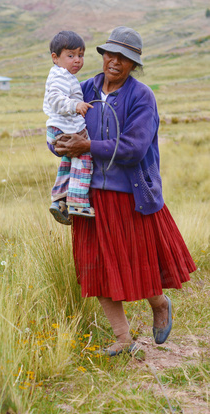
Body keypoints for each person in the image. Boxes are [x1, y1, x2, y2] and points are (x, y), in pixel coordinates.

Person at [49, 26, 197, 355]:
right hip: (86, 195)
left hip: (130, 194)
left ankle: (159, 304)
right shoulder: (83, 89)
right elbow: (62, 126)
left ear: (133, 65)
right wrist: (59, 143)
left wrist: (87, 144)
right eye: (111, 54)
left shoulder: (141, 96)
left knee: (138, 264)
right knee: (97, 267)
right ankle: (123, 338)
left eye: (125, 58)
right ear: (103, 55)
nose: (115, 62)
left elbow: (134, 147)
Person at [43, 30, 95, 225]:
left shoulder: (66, 75)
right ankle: (78, 202)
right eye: (71, 55)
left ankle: (59, 200)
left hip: (62, 128)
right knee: (84, 159)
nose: (77, 60)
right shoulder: (60, 76)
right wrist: (75, 105)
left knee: (69, 163)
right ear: (55, 58)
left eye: (81, 55)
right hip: (63, 129)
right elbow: (55, 100)